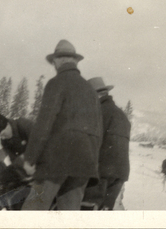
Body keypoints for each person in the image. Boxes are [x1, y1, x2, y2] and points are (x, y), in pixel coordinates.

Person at [22, 39, 102, 210]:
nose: (54, 66)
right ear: (74, 61)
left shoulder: (56, 83)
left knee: (32, 210)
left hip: (56, 160)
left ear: (59, 60)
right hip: (84, 164)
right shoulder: (90, 90)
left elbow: (44, 122)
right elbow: (98, 132)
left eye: (54, 62)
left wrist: (30, 158)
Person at [82, 77, 131, 210]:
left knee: (86, 211)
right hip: (119, 175)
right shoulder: (121, 115)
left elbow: (89, 144)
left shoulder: (98, 112)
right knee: (104, 213)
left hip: (100, 174)